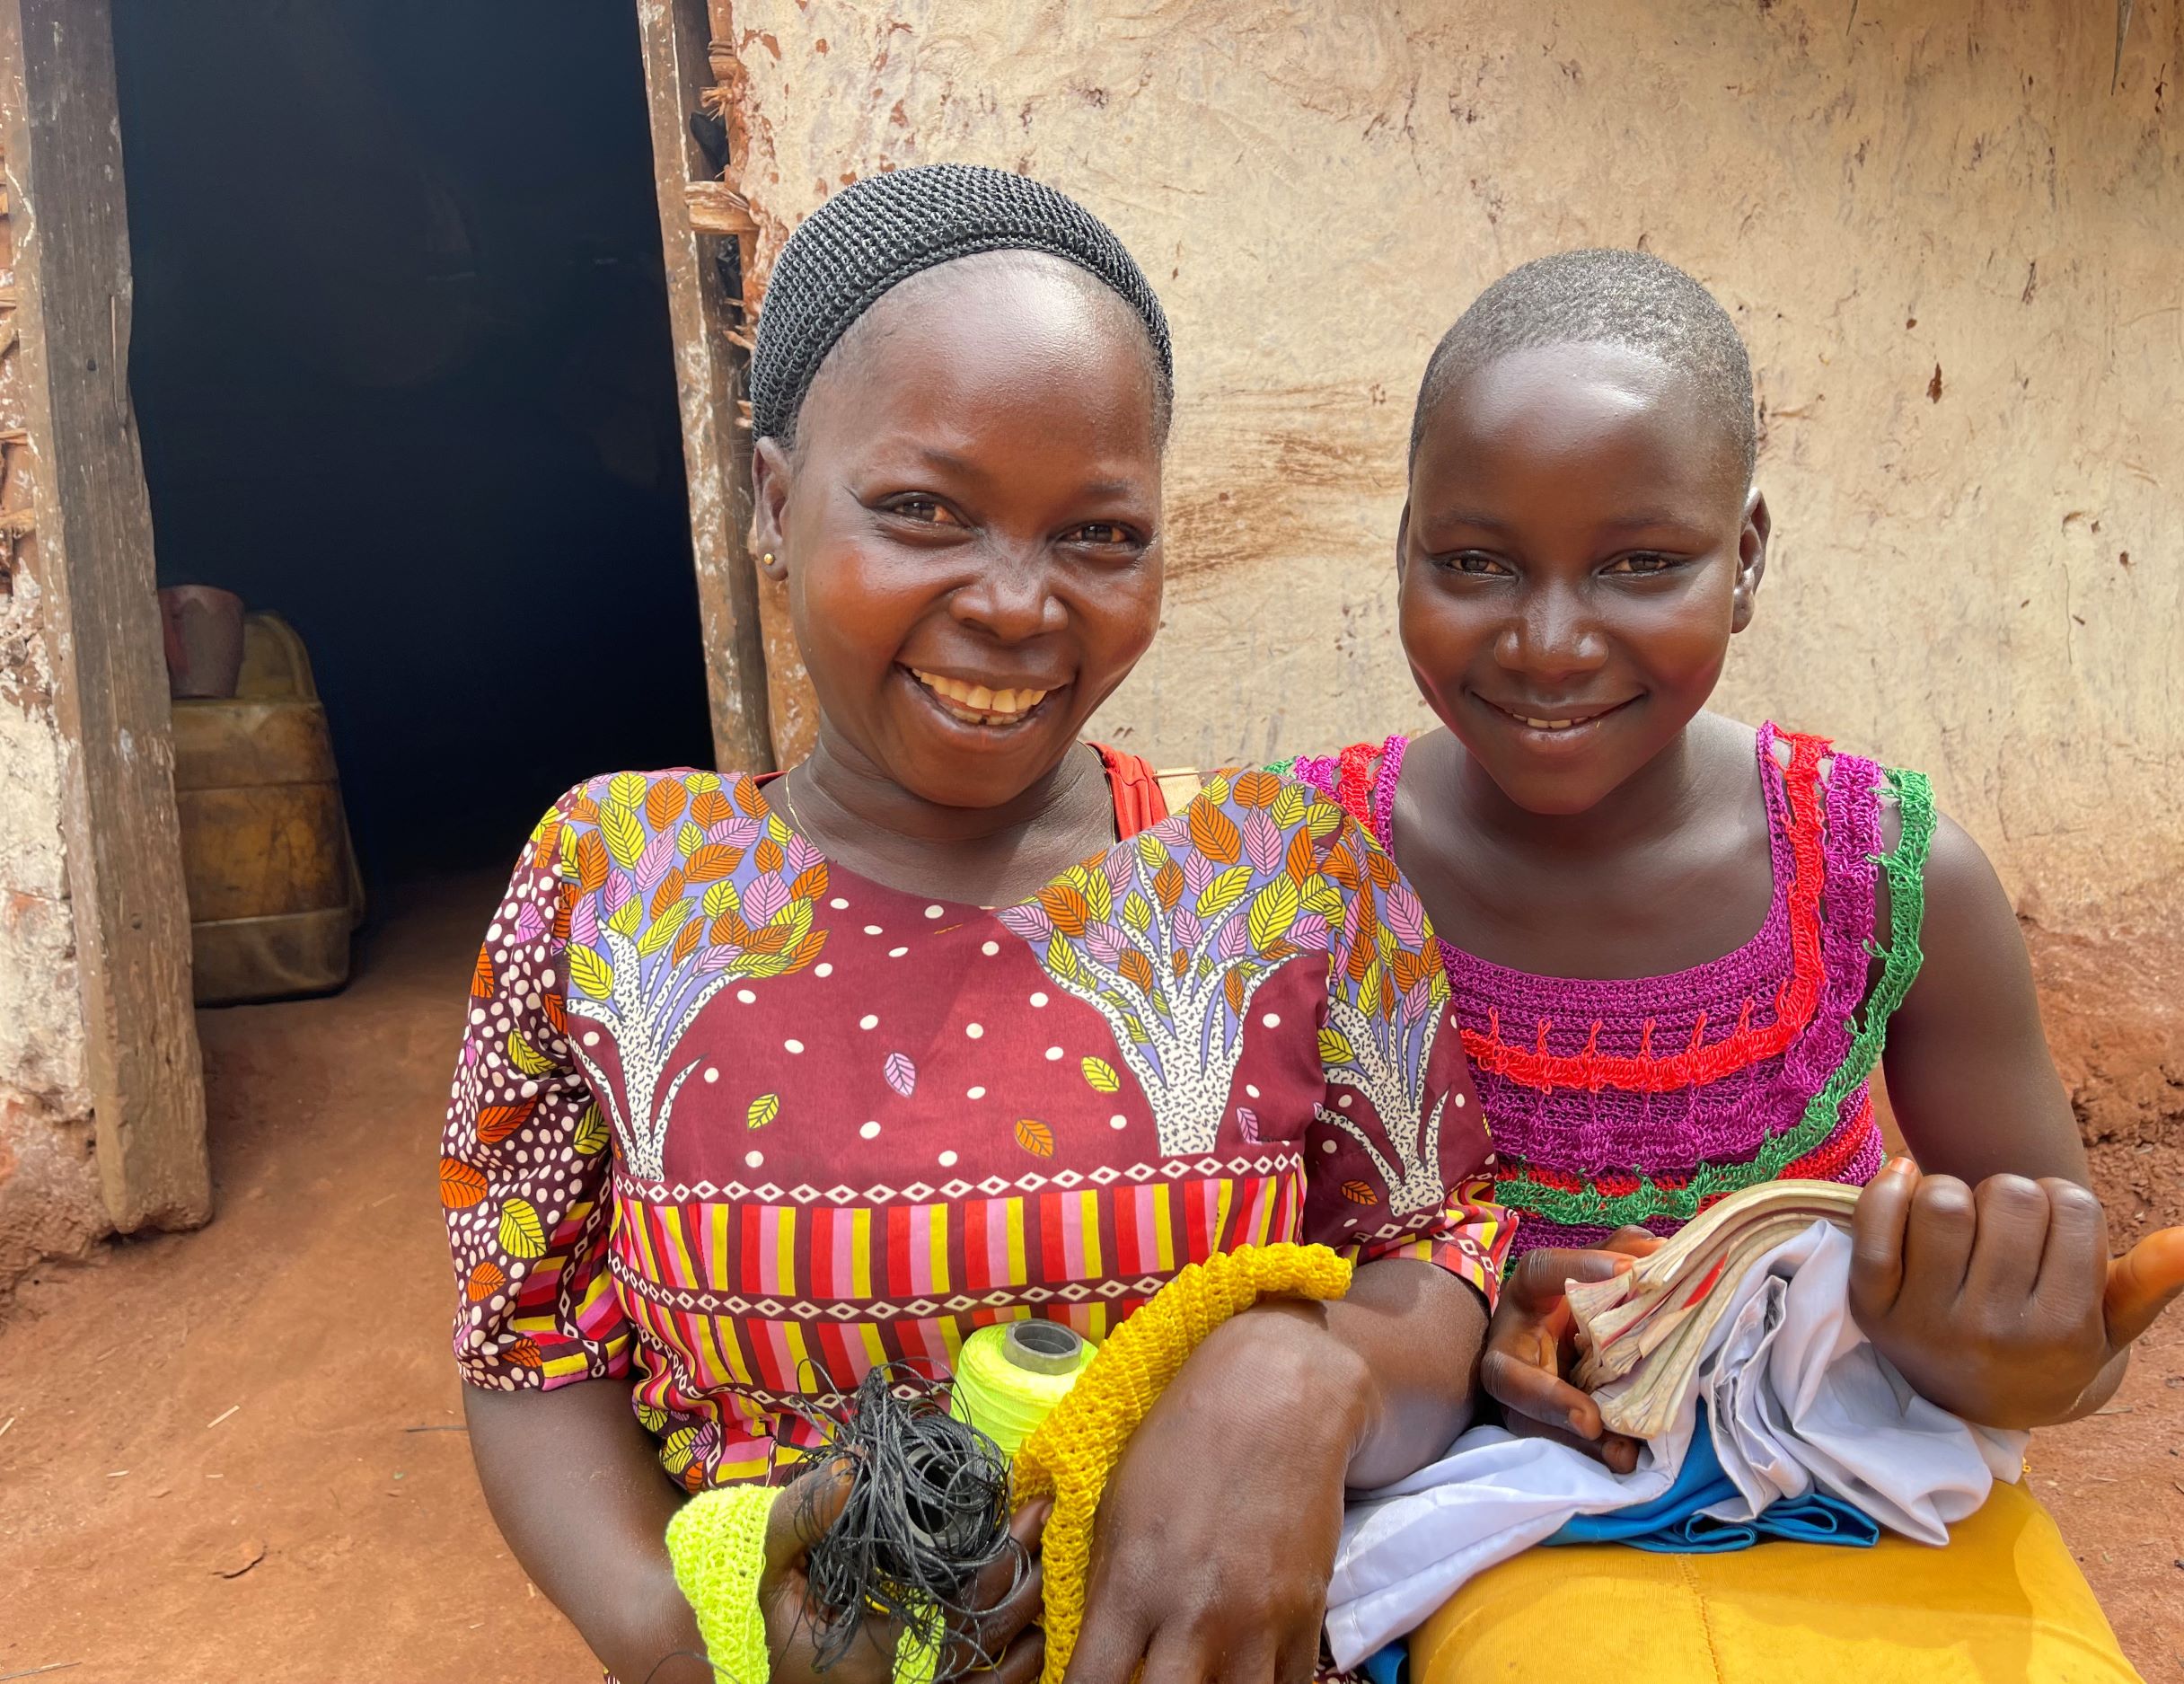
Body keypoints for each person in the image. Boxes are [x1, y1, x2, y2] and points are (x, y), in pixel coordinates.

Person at [440, 163, 1510, 1684]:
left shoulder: (1285, 878)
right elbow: (527, 1343)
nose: (1016, 603)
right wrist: (678, 1634)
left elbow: (1438, 1268)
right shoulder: (615, 884)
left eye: (1099, 534)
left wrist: (1293, 1380)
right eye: (923, 511)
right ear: (770, 500)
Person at [1284, 249, 2184, 1680]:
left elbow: (2063, 1333)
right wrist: (1467, 1313)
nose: (1547, 641)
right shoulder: (1301, 874)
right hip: (1433, 1532)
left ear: (1750, 562)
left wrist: (2005, 1353)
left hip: (1829, 1532)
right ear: (1401, 547)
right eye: (1473, 562)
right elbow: (1221, 1272)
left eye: (1642, 563)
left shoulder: (1880, 877)